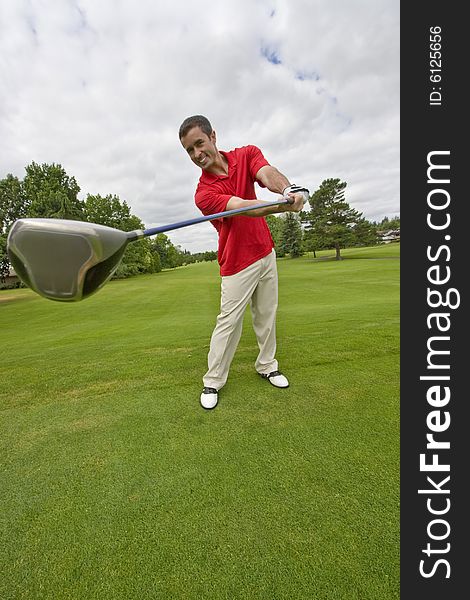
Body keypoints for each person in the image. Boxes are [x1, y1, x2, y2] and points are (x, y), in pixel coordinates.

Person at [178, 115, 309, 409]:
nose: (197, 154)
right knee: (229, 323)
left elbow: (266, 173)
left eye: (199, 144)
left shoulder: (246, 154)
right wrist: (283, 206)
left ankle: (267, 365)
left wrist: (287, 190)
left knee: (266, 314)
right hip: (236, 262)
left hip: (265, 251)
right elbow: (243, 208)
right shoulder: (204, 193)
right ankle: (212, 382)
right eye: (189, 150)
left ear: (213, 136)